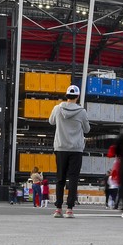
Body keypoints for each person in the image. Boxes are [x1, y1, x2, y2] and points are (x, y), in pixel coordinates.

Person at [49, 84, 91, 218]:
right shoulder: (82, 111)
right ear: (77, 96)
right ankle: (70, 209)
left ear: (66, 95)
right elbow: (87, 130)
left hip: (60, 147)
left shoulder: (57, 108)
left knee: (60, 178)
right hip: (76, 149)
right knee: (73, 178)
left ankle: (58, 209)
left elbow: (51, 122)